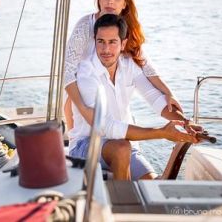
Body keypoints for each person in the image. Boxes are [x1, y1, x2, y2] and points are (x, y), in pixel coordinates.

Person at [68, 14, 200, 180]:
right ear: (95, 41)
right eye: (101, 41)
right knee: (122, 148)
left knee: (153, 187)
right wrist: (161, 133)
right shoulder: (86, 73)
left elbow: (155, 99)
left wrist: (185, 122)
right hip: (86, 144)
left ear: (123, 43)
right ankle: (124, 204)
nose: (106, 49)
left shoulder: (129, 65)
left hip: (124, 145)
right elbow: (105, 127)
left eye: (112, 42)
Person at [64, 0, 183, 131]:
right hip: (79, 88)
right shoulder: (85, 26)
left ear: (124, 4)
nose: (110, 1)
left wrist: (168, 93)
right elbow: (67, 71)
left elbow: (146, 67)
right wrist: (82, 109)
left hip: (110, 85)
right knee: (76, 119)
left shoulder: (126, 30)